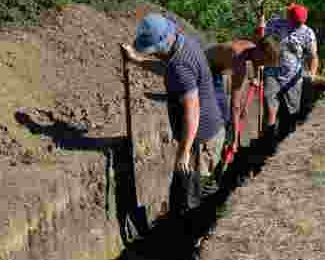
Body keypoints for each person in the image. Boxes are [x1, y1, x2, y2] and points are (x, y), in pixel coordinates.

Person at [121, 13, 221, 215]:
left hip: (200, 140)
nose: (155, 54)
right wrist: (137, 61)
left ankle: (196, 239)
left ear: (166, 41)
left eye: (155, 51)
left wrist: (183, 152)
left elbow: (192, 111)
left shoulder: (179, 66)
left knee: (189, 201)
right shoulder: (184, 44)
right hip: (206, 133)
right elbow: (166, 68)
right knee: (192, 193)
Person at [204, 35, 282, 161]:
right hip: (205, 69)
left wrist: (256, 77)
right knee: (220, 114)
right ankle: (219, 147)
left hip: (217, 68)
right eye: (265, 61)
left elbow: (257, 63)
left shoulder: (252, 48)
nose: (264, 65)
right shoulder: (239, 61)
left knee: (224, 111)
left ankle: (225, 140)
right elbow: (235, 105)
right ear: (260, 52)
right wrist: (236, 139)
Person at [255, 3, 319, 150]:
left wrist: (312, 76)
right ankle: (268, 144)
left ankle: (283, 145)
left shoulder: (307, 33)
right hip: (272, 73)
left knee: (291, 113)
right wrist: (261, 21)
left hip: (292, 78)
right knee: (270, 107)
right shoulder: (276, 24)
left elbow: (314, 56)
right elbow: (261, 37)